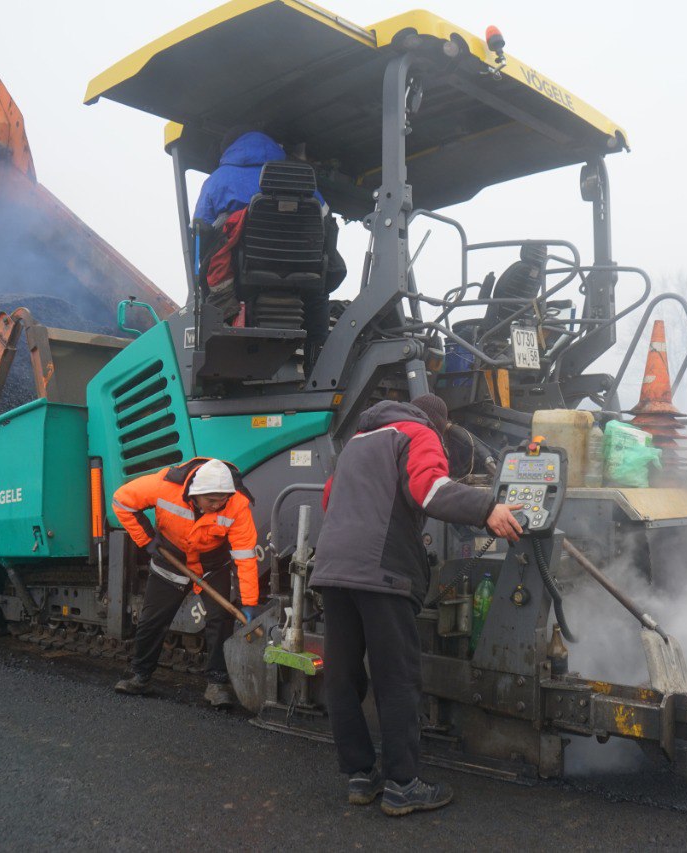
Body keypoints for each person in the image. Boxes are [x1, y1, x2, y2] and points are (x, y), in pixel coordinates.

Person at [309, 394, 524, 816]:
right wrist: (487, 509)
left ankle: (358, 774)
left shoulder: (357, 442)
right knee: (397, 678)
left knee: (342, 675)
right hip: (381, 572)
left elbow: (329, 501)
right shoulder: (418, 432)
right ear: (440, 425)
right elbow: (429, 489)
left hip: (333, 569)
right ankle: (403, 784)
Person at [111, 458, 259, 707]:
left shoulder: (237, 504)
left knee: (220, 619)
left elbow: (245, 557)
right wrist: (146, 539)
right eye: (211, 500)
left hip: (212, 566)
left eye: (222, 499)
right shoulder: (164, 486)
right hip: (171, 559)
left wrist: (250, 602)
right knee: (152, 620)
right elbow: (121, 501)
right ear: (194, 494)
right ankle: (140, 676)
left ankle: (217, 684)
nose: (218, 505)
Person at [193, 127, 343, 362]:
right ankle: (317, 360)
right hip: (302, 274)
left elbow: (201, 234)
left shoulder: (216, 181)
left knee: (208, 285)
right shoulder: (302, 179)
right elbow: (328, 228)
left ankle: (209, 353)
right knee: (318, 293)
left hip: (244, 275)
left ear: (230, 150)